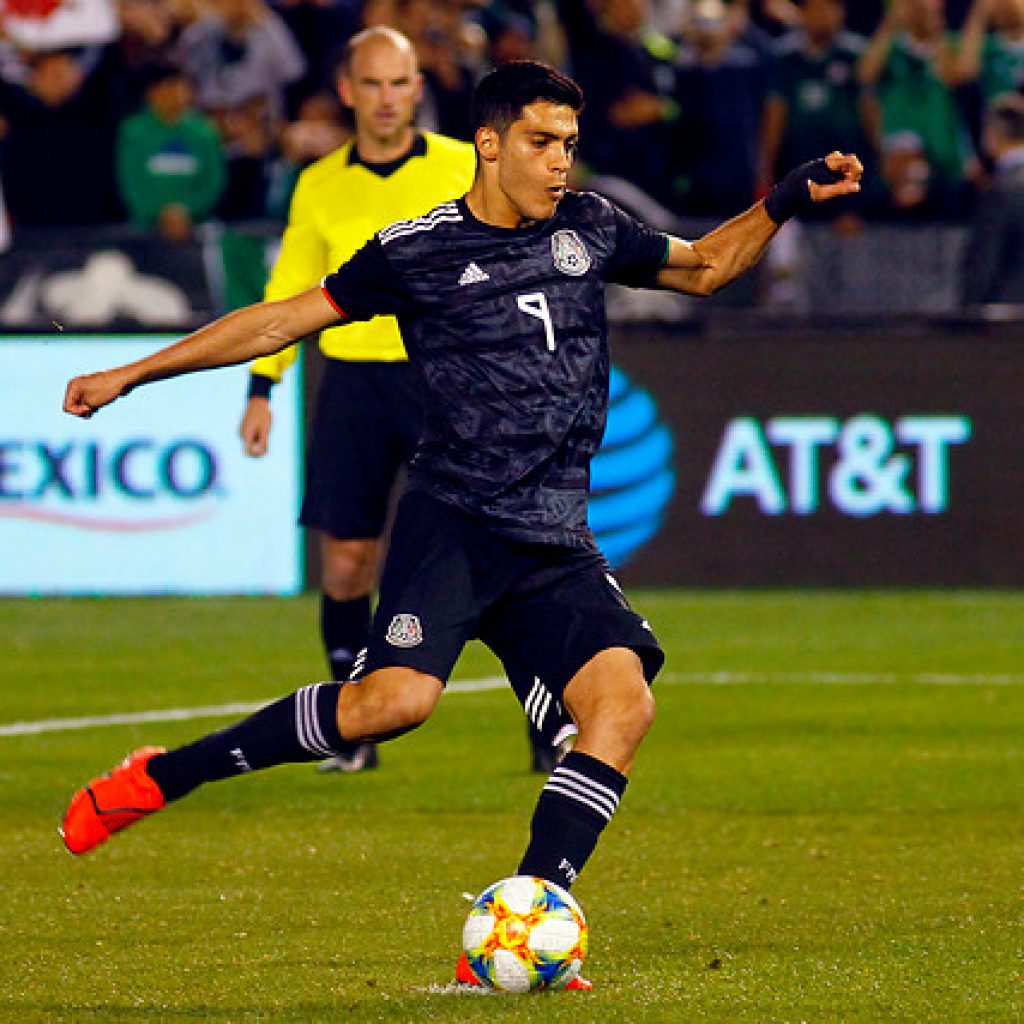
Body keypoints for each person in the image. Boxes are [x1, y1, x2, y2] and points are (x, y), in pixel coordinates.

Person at [59, 60, 861, 987]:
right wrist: (131, 373)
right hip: (454, 521)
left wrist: (784, 198)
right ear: (489, 142)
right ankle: (169, 775)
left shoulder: (592, 228)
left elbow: (710, 265)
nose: (561, 161)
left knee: (622, 704)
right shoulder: (418, 249)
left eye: (568, 143)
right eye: (540, 141)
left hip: (554, 538)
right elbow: (281, 321)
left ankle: (529, 914)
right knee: (390, 708)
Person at [240, 27, 563, 773]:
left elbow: (527, 244)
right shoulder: (319, 182)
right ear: (349, 92)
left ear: (419, 88)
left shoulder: (465, 164)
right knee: (348, 561)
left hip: (451, 384)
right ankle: (353, 733)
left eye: (401, 83)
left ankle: (548, 724)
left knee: (502, 553)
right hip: (353, 382)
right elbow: (288, 293)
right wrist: (262, 387)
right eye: (373, 84)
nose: (388, 99)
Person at [116, 62, 227, 243]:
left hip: (196, 230)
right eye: (168, 87)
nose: (175, 94)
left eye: (179, 87)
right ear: (152, 93)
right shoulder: (133, 133)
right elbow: (131, 184)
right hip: (145, 232)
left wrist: (187, 211)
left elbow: (213, 183)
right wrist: (161, 213)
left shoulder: (204, 133)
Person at [961, 91, 1024, 303]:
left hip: (1008, 323)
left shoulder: (1000, 192)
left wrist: (967, 313)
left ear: (991, 137)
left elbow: (985, 263)